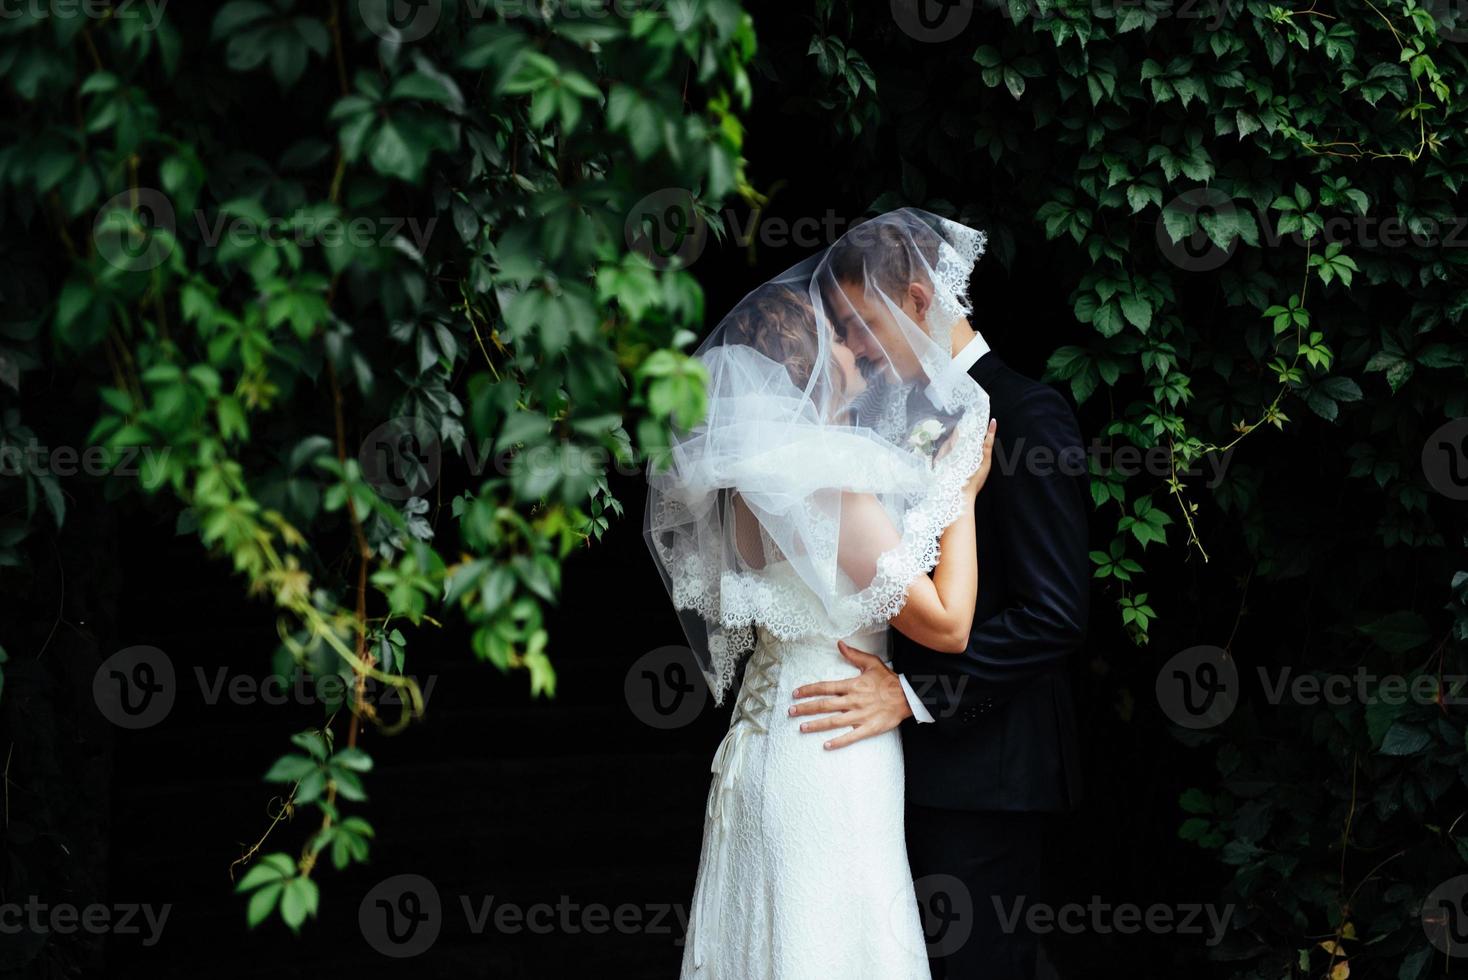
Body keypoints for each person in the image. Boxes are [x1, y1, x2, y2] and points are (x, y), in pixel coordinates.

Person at [645, 210, 997, 978]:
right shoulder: (831, 482)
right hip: (831, 754)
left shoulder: (744, 493)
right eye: (836, 339)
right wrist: (962, 495)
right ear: (802, 370)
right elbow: (948, 625)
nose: (855, 350)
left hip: (768, 735)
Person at [788, 210, 1089, 979]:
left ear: (920, 300)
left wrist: (915, 695)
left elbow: (1054, 614)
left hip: (986, 781)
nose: (852, 347)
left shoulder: (1026, 414)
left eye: (860, 325)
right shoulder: (884, 419)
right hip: (890, 775)